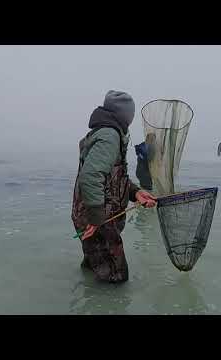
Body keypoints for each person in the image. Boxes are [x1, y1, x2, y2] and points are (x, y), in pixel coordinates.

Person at [71, 90, 157, 283]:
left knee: (94, 269)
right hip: (98, 220)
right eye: (131, 114)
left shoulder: (106, 133)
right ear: (124, 115)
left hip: (95, 218)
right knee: (115, 281)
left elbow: (114, 178)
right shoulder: (110, 135)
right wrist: (95, 219)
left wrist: (136, 193)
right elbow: (91, 176)